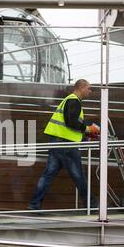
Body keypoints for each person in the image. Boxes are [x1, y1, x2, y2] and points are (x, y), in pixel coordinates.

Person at [29, 79, 99, 210]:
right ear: (81, 88)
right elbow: (71, 122)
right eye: (88, 88)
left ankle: (34, 204)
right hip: (65, 144)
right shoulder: (74, 101)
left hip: (58, 142)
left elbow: (72, 124)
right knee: (78, 175)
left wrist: (85, 134)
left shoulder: (70, 101)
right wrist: (88, 130)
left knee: (48, 174)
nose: (90, 91)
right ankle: (92, 205)